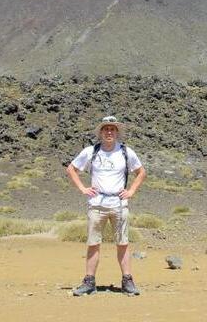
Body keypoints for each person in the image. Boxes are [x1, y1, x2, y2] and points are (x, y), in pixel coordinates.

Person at [66, 115, 146, 296]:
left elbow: (141, 172)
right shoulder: (91, 151)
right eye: (106, 129)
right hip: (97, 203)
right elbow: (71, 169)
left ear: (117, 132)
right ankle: (89, 281)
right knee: (93, 243)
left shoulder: (125, 152)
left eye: (112, 129)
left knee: (123, 243)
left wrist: (131, 191)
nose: (109, 132)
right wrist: (82, 188)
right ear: (101, 132)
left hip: (118, 203)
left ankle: (127, 281)